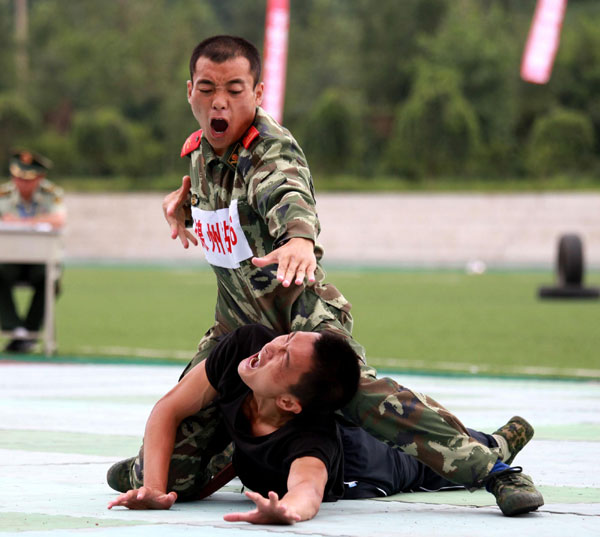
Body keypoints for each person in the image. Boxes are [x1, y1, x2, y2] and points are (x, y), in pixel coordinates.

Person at [111, 35, 542, 515]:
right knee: (174, 473)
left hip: (301, 317)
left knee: (364, 398)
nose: (220, 101)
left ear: (257, 93)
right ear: (189, 91)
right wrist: (184, 206)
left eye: (235, 89)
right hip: (237, 327)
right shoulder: (201, 152)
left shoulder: (271, 150)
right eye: (208, 88)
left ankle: (492, 467)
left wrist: (298, 239)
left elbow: (286, 192)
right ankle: (165, 466)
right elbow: (230, 205)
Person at [107, 325, 542, 522]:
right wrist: (155, 488)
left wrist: (287, 511)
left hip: (365, 465)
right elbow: (169, 409)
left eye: (285, 357)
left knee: (422, 468)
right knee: (189, 460)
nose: (271, 347)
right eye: (285, 339)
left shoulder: (311, 441)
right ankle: (148, 467)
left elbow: (307, 489)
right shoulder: (245, 348)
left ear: (290, 402)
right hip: (242, 454)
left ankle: (498, 444)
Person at [0, 150, 65, 353]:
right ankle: (14, 328)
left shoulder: (51, 194)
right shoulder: (4, 194)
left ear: (39, 178)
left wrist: (23, 222)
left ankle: (29, 332)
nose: (22, 183)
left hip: (40, 260)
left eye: (28, 179)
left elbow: (58, 220)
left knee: (49, 280)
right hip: (10, 259)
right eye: (18, 178)